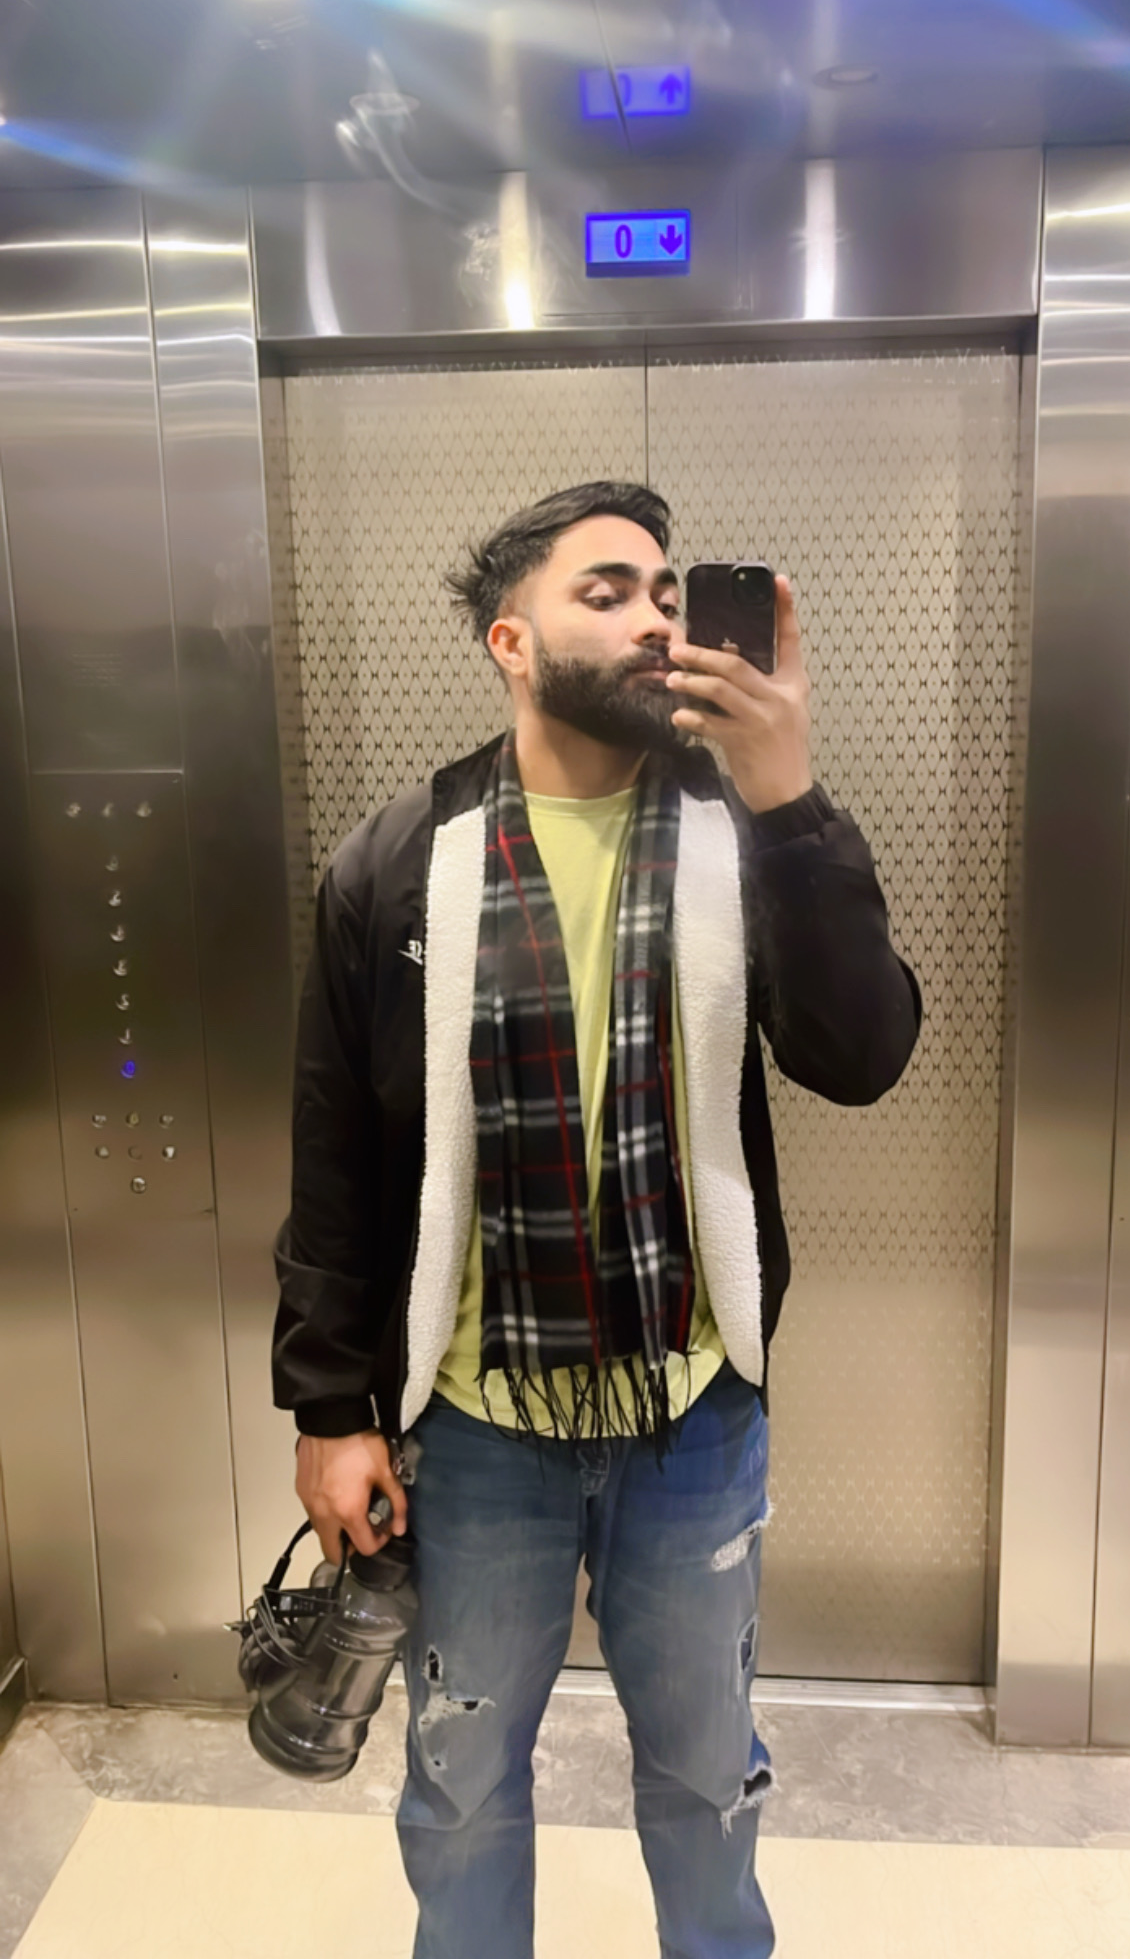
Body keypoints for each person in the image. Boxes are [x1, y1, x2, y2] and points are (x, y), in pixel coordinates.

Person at [273, 479, 921, 1959]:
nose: (654, 620)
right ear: (511, 641)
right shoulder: (399, 861)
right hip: (473, 1429)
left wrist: (790, 794)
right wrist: (329, 1407)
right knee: (460, 1786)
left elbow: (862, 1053)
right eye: (607, 592)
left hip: (692, 1414)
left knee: (704, 1778)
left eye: (667, 595)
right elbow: (336, 1160)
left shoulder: (734, 830)